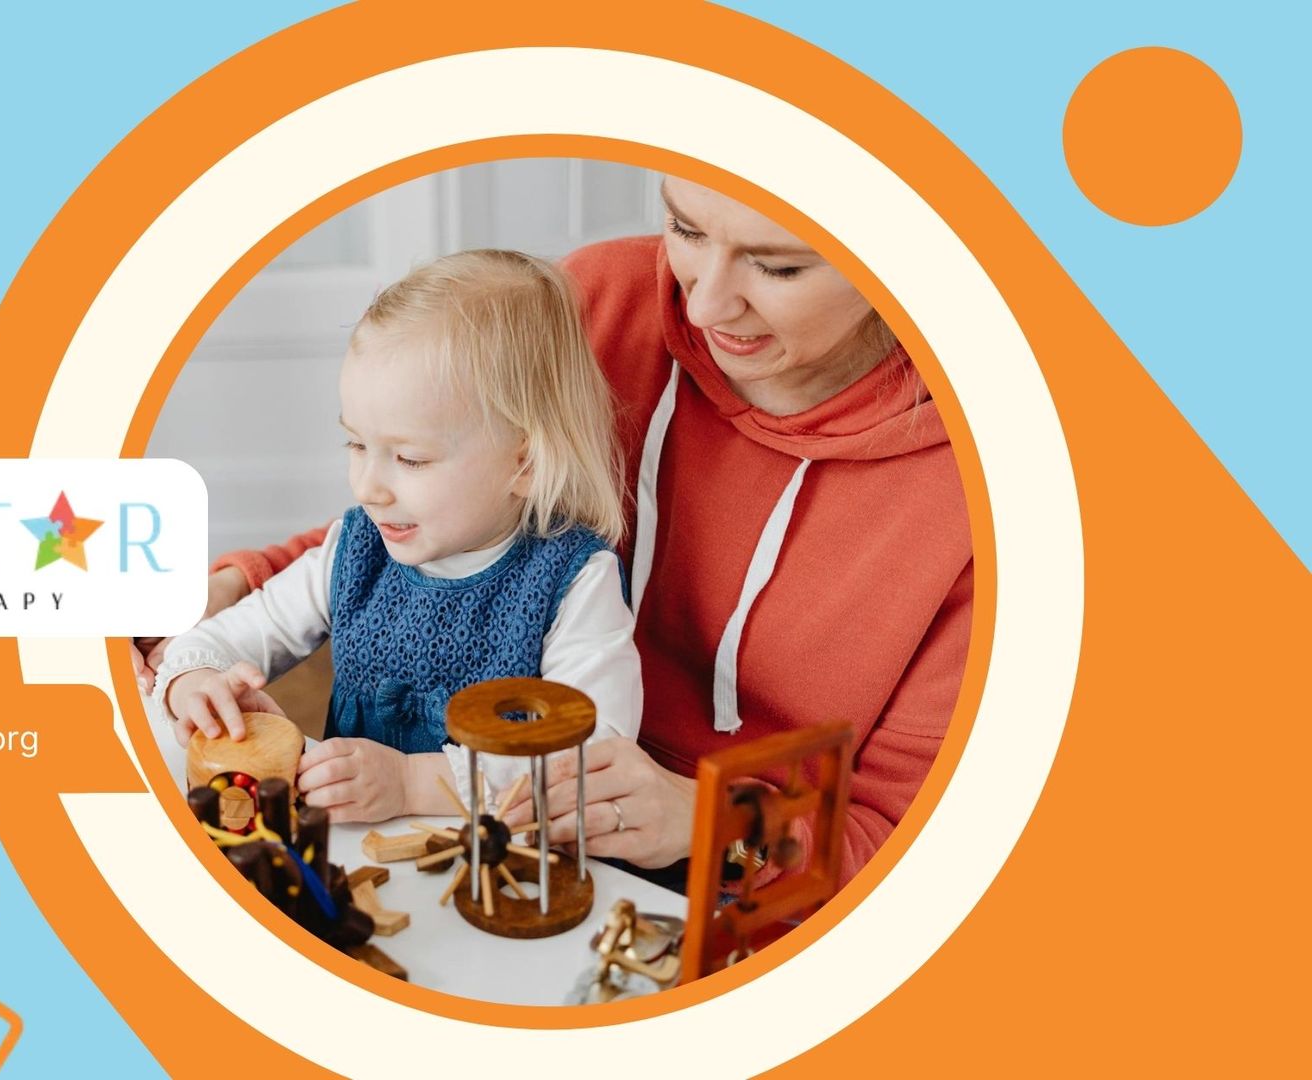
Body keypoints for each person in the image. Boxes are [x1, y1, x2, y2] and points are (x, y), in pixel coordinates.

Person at [155, 175, 971, 887]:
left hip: (716, 886)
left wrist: (709, 823)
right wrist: (220, 608)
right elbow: (413, 522)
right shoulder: (582, 304)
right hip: (390, 843)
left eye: (779, 263)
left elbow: (901, 849)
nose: (707, 301)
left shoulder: (977, 509)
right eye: (684, 227)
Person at [151, 250, 644, 823]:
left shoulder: (574, 580)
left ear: (525, 463)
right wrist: (193, 679)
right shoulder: (356, 548)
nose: (368, 488)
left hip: (491, 869)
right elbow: (220, 639)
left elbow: (595, 756)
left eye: (409, 459)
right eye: (357, 445)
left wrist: (415, 784)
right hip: (355, 857)